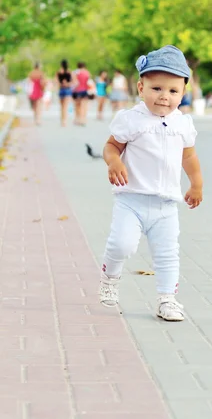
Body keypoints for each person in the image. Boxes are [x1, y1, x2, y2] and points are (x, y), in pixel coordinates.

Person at [99, 45, 203, 321]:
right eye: (157, 89)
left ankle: (167, 299)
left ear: (183, 93)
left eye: (173, 91)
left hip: (166, 205)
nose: (164, 97)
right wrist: (114, 161)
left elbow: (189, 156)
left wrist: (196, 184)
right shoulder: (132, 120)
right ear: (141, 87)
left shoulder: (182, 124)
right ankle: (110, 278)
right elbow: (111, 146)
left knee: (168, 254)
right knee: (122, 244)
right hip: (131, 200)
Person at [56, 60, 74, 127]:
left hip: (61, 90)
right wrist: (67, 84)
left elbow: (56, 81)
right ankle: (64, 121)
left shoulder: (59, 72)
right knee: (65, 107)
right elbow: (73, 81)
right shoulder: (69, 71)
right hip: (67, 90)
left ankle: (62, 120)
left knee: (62, 107)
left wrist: (61, 84)